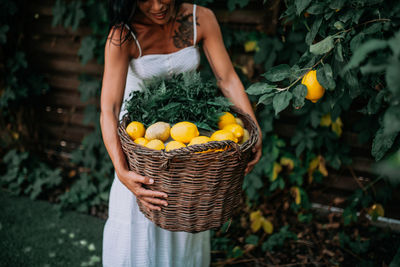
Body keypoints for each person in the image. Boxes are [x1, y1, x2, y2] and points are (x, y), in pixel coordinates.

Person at [100, 0, 262, 266]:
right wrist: (121, 170)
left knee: (186, 212)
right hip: (141, 147)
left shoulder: (202, 18)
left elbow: (227, 78)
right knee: (140, 232)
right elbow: (110, 107)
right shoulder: (123, 34)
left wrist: (254, 129)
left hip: (186, 142)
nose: (156, 5)